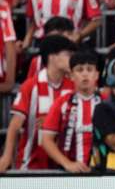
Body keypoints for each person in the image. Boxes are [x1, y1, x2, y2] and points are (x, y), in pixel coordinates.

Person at [0, 35, 76, 172]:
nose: (73, 59)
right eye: (68, 54)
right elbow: (14, 126)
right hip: (31, 163)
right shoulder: (30, 86)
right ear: (52, 57)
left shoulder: (73, 87)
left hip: (66, 164)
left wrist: (51, 122)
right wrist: (6, 157)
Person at [40, 49, 102, 172]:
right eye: (79, 70)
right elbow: (46, 140)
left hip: (102, 173)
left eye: (89, 69)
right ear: (71, 76)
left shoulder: (105, 102)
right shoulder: (61, 102)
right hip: (69, 174)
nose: (85, 74)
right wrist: (67, 163)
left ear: (96, 75)